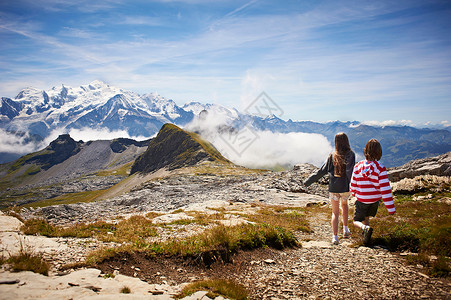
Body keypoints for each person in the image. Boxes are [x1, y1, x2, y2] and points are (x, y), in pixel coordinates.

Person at [304, 132, 355, 245]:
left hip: (333, 187)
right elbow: (349, 171)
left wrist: (308, 181)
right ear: (346, 141)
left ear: (336, 142)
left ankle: (335, 237)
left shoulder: (332, 155)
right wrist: (354, 184)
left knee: (335, 212)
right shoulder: (350, 154)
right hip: (345, 187)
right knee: (345, 205)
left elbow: (321, 171)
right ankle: (346, 230)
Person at [350, 139, 395, 245]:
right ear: (379, 153)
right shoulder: (380, 168)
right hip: (374, 201)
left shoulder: (358, 166)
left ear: (365, 151)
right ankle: (366, 237)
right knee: (366, 217)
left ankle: (364, 228)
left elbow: (353, 183)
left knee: (356, 221)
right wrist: (391, 208)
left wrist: (353, 193)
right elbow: (385, 189)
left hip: (362, 199)